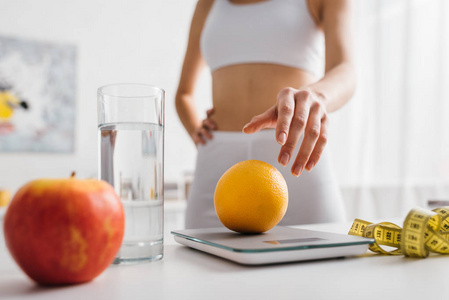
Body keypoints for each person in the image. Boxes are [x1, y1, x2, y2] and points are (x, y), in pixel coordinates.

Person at [176, 0, 356, 229]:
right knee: (201, 263)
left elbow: (345, 69)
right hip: (216, 165)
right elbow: (183, 94)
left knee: (325, 261)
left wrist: (318, 96)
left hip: (296, 160)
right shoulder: (208, 3)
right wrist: (197, 132)